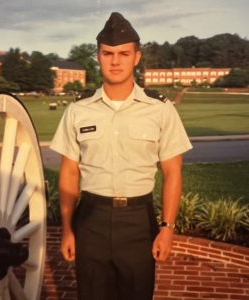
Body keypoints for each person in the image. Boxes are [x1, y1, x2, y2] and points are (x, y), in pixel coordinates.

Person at [50, 12, 192, 300]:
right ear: (98, 56)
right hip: (91, 219)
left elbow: (173, 172)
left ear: (136, 57)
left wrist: (167, 228)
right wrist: (67, 228)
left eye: (123, 54)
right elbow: (68, 173)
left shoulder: (160, 110)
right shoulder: (78, 111)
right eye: (108, 53)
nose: (115, 61)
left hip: (138, 220)